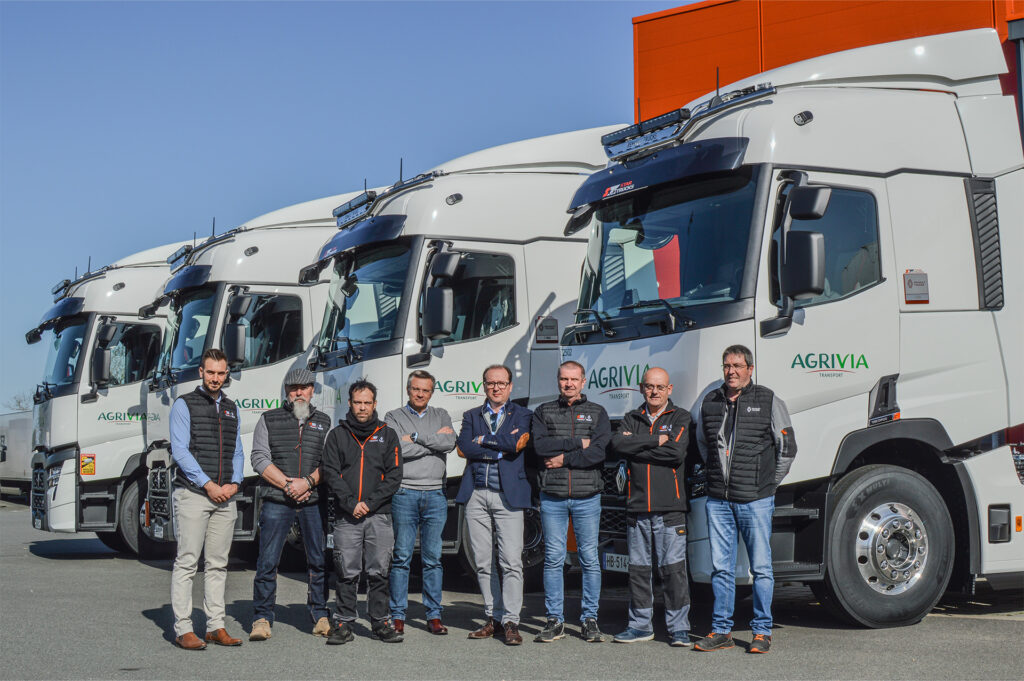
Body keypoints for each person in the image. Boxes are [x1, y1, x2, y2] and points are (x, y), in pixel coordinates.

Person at [693, 344, 797, 654]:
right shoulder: (710, 402)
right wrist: (719, 477)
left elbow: (787, 449)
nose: (731, 371)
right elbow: (704, 446)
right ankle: (721, 630)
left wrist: (766, 483)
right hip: (719, 500)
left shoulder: (768, 399)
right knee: (721, 568)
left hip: (755, 499)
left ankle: (762, 632)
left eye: (738, 365)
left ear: (750, 369)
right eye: (727, 365)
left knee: (761, 568)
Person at [609, 367, 693, 647]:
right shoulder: (632, 418)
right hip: (636, 508)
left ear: (670, 390)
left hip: (670, 509)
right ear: (641, 388)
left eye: (660, 387)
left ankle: (679, 628)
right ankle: (640, 626)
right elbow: (618, 444)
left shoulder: (680, 416)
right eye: (649, 386)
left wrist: (637, 445)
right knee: (639, 572)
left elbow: (675, 453)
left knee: (673, 571)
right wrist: (655, 439)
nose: (654, 391)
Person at [168, 348, 245, 650]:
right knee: (187, 562)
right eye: (210, 372)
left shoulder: (230, 406)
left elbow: (237, 449)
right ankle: (183, 628)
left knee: (218, 564)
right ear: (201, 372)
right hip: (194, 494)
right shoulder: (184, 405)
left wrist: (236, 482)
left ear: (227, 374)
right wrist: (209, 484)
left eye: (221, 373)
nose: (215, 378)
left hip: (226, 497)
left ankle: (215, 626)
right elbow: (180, 451)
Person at [248, 368, 332, 642]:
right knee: (268, 560)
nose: (298, 392)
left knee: (318, 560)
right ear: (286, 391)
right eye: (293, 388)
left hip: (312, 499)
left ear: (312, 390)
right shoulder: (268, 419)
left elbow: (329, 463)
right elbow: (259, 459)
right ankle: (262, 617)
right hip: (277, 499)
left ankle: (320, 615)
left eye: (304, 387)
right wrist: (288, 485)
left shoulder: (324, 421)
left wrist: (306, 483)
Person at [531, 360, 610, 643]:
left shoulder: (597, 413)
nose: (569, 384)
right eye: (564, 379)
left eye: (574, 379)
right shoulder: (543, 411)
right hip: (552, 496)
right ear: (558, 380)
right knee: (553, 559)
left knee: (589, 559)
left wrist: (564, 457)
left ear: (584, 381)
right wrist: (578, 443)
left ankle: (590, 619)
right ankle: (555, 620)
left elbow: (599, 453)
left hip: (588, 497)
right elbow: (540, 446)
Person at [454, 364, 533, 646]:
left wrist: (485, 441)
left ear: (510, 386)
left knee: (511, 561)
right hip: (476, 494)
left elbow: (517, 445)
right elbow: (463, 447)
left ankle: (511, 620)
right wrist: (499, 447)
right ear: (484, 386)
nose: (496, 388)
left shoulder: (523, 415)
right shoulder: (470, 415)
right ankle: (493, 617)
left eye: (501, 383)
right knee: (483, 562)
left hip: (508, 496)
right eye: (490, 383)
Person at [322, 380, 403, 644]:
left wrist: (369, 503)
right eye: (358, 402)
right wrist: (350, 502)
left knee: (379, 571)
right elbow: (331, 473)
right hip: (347, 516)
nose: (362, 407)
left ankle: (380, 622)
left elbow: (394, 476)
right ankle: (344, 623)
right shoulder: (337, 435)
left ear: (375, 404)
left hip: (378, 514)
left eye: (367, 402)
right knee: (346, 571)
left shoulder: (388, 435)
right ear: (349, 403)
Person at [384, 370, 456, 636]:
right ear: (408, 389)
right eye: (416, 389)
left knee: (433, 559)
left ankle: (434, 616)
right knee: (401, 557)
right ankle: (398, 615)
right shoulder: (394, 417)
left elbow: (449, 442)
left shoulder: (442, 415)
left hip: (436, 494)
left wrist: (414, 437)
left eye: (425, 390)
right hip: (405, 493)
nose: (420, 394)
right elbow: (396, 449)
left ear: (432, 392)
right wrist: (431, 442)